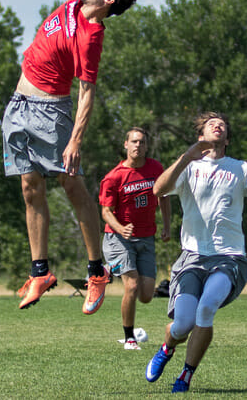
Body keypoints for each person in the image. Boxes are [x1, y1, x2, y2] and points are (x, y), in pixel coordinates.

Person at [1, 0, 137, 313]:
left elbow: (86, 92)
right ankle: (41, 272)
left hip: (49, 110)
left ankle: (97, 270)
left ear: (109, 0)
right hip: (19, 103)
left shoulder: (92, 33)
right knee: (28, 187)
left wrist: (76, 138)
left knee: (72, 185)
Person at [144, 112, 247, 393]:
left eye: (222, 124)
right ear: (201, 136)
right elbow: (158, 189)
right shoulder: (188, 167)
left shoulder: (240, 168)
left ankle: (185, 375)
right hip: (192, 258)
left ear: (227, 139)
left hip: (229, 257)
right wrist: (188, 156)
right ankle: (167, 347)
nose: (218, 125)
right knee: (182, 324)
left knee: (206, 308)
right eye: (211, 124)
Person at [99, 127, 171, 350]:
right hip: (118, 239)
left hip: (146, 237)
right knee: (131, 286)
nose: (137, 145)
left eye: (141, 142)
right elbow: (106, 212)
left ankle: (107, 269)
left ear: (147, 146)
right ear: (126, 145)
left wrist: (167, 225)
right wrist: (121, 228)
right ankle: (129, 338)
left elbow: (164, 197)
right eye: (134, 141)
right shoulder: (114, 177)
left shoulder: (155, 168)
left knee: (146, 295)